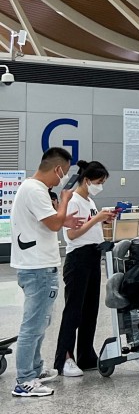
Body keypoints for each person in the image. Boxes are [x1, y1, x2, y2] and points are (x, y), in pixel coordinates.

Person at [10, 148, 79, 397]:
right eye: (65, 172)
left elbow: (52, 223)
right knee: (33, 325)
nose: (65, 178)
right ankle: (24, 380)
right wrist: (65, 200)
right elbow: (53, 223)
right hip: (37, 268)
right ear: (58, 169)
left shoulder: (33, 189)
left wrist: (63, 218)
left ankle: (35, 369)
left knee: (41, 322)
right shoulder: (35, 190)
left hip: (38, 266)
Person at [53, 161, 115, 377]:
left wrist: (101, 220)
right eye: (99, 181)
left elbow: (87, 226)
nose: (100, 186)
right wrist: (97, 218)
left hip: (92, 256)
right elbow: (71, 234)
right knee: (74, 311)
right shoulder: (73, 200)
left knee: (90, 310)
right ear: (87, 180)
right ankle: (64, 358)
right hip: (78, 258)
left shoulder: (89, 201)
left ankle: (86, 355)